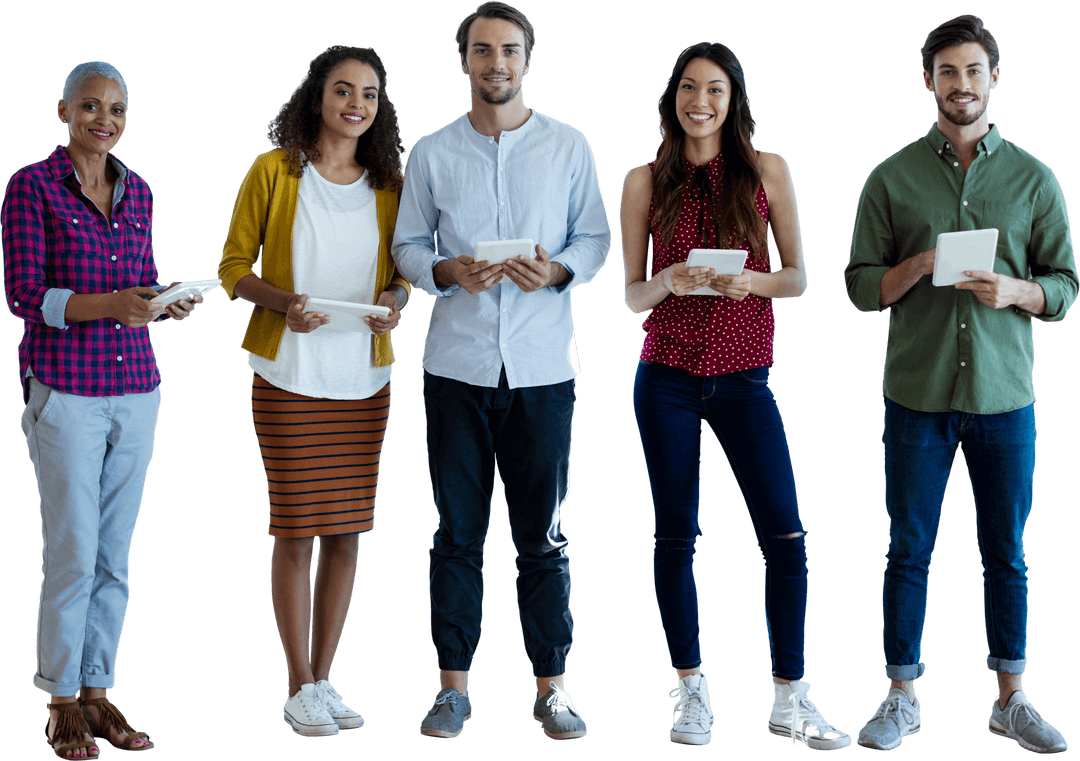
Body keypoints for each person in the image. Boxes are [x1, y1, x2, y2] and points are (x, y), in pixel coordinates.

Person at [844, 14, 1076, 754]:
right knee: (907, 548)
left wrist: (1019, 293)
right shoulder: (891, 176)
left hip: (1006, 401)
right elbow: (857, 286)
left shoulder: (1035, 178)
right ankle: (900, 696)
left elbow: (1067, 285)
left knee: (1005, 549)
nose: (961, 84)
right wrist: (911, 268)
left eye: (973, 70)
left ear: (994, 78)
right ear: (928, 82)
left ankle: (1010, 698)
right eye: (947, 72)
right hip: (916, 396)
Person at [620, 42, 849, 750]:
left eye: (714, 90)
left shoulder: (767, 170)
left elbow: (800, 277)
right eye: (689, 88)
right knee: (676, 533)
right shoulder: (642, 180)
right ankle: (691, 690)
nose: (700, 102)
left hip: (745, 376)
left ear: (733, 98)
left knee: (786, 534)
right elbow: (632, 295)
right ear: (672, 97)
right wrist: (671, 281)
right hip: (666, 377)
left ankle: (790, 696)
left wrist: (751, 281)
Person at [392, 1, 609, 741]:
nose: (497, 64)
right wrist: (446, 269)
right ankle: (453, 688)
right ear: (463, 62)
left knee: (541, 535)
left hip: (545, 371)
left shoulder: (568, 145)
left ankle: (553, 688)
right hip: (456, 366)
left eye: (509, 51)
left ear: (527, 60)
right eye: (482, 51)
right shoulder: (430, 151)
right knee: (456, 531)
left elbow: (596, 237)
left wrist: (558, 269)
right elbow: (407, 245)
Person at [2, 60, 202, 760]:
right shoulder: (31, 186)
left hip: (137, 388)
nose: (104, 120)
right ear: (63, 111)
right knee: (74, 550)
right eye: (90, 106)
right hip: (66, 391)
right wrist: (112, 305)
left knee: (115, 554)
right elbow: (25, 294)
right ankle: (59, 698)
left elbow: (135, 287)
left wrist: (163, 300)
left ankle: (97, 687)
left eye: (116, 109)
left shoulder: (139, 189)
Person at [217, 44, 410, 738]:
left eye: (368, 93)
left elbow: (403, 270)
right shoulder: (274, 171)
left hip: (365, 380)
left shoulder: (390, 182)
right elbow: (233, 267)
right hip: (289, 377)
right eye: (342, 90)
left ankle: (324, 681)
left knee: (349, 534)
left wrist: (397, 296)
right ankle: (296, 684)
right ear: (317, 97)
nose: (356, 104)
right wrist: (285, 301)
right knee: (296, 530)